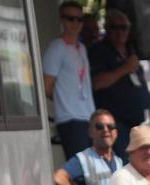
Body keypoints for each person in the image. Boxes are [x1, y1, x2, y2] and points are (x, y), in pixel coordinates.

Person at [89, 9, 150, 158]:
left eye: (123, 28)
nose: (119, 32)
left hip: (138, 124)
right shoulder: (99, 51)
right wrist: (125, 68)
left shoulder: (130, 52)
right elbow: (97, 83)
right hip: (116, 125)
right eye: (114, 27)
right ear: (107, 29)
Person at [42, 0, 96, 161]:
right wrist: (64, 98)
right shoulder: (56, 47)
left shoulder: (81, 48)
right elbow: (47, 86)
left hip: (88, 116)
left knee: (93, 167)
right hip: (70, 117)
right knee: (80, 167)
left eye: (79, 19)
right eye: (70, 19)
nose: (75, 23)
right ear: (62, 20)